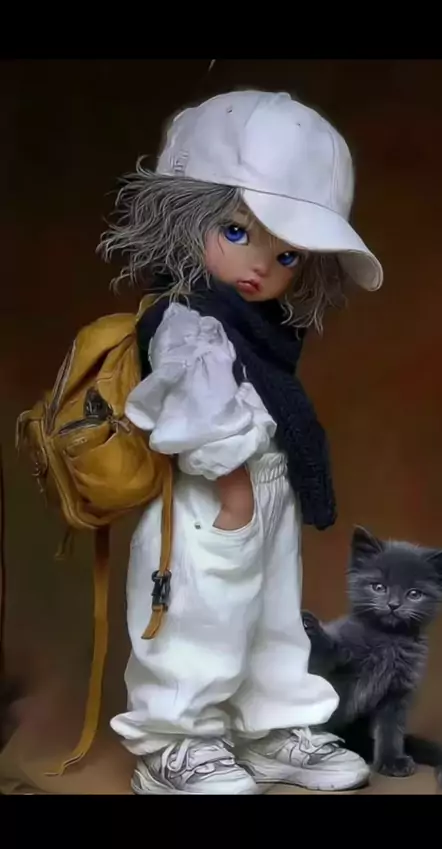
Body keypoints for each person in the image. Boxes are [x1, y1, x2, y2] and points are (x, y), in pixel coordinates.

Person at [99, 89, 383, 795]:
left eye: (286, 253)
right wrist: (232, 495)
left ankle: (270, 726)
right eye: (235, 231)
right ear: (186, 214)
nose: (260, 266)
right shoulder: (190, 321)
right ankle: (177, 742)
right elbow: (199, 416)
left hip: (264, 489)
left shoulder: (259, 326)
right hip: (210, 499)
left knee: (270, 619)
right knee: (197, 618)